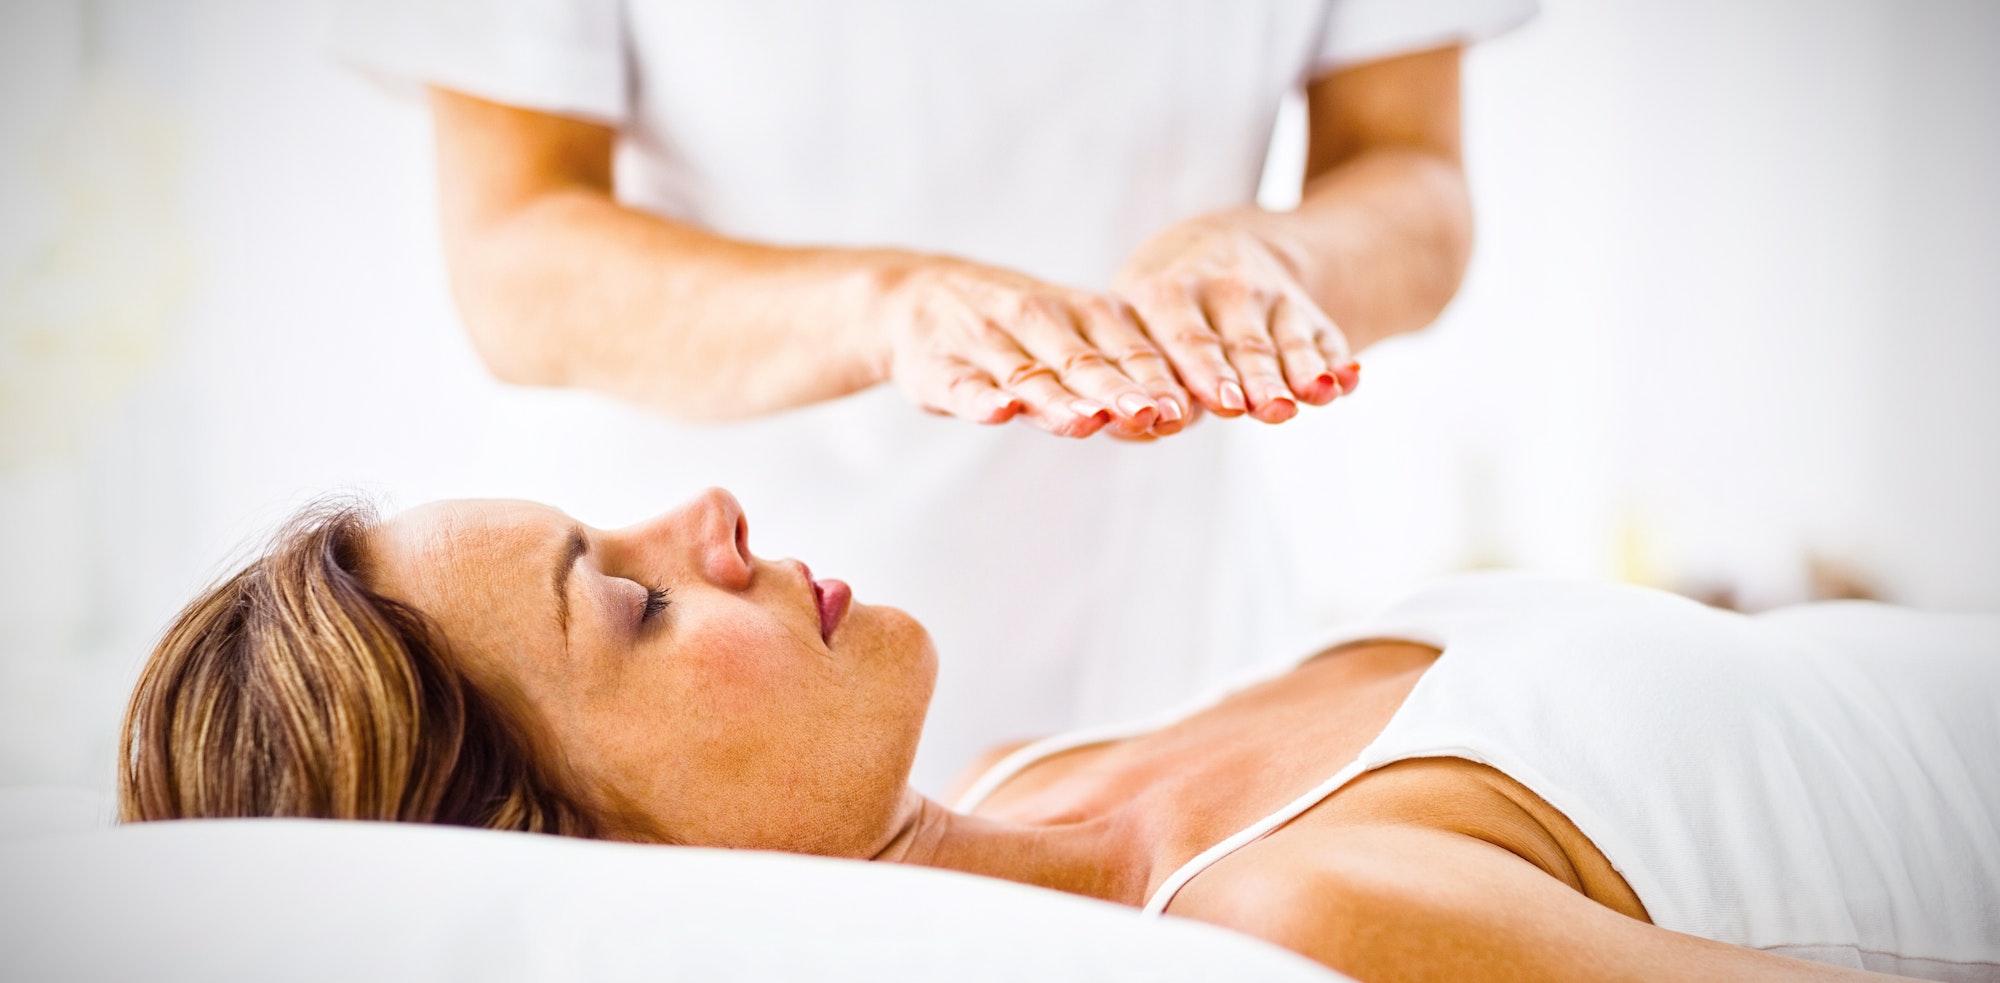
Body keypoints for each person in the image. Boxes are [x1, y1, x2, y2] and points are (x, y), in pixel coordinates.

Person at [328, 1, 1536, 788]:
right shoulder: (695, 576)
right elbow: (515, 253)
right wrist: (881, 309)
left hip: (1173, 624)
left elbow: (1409, 171)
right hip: (685, 732)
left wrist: (1276, 261)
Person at [123, 490, 2000, 982]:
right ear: (598, 863)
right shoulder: (1292, 929)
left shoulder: (1031, 792)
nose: (701, 516)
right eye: (628, 599)